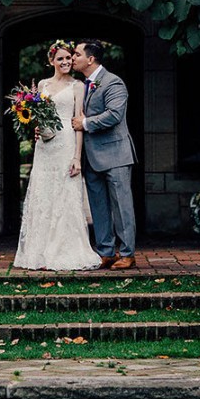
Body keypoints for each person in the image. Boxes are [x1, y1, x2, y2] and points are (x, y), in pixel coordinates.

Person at [14, 40, 101, 271]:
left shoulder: (77, 86)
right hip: (45, 146)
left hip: (66, 143)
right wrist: (36, 128)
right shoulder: (42, 84)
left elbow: (78, 122)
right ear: (51, 60)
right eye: (60, 58)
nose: (66, 62)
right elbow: (38, 115)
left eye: (68, 58)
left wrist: (76, 157)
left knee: (65, 195)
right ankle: (39, 252)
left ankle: (64, 249)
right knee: (44, 193)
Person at [71, 40, 137, 269]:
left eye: (77, 54)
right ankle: (106, 252)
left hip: (116, 155)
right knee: (98, 207)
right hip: (92, 157)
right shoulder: (83, 84)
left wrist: (85, 123)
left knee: (122, 206)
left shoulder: (113, 82)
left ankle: (127, 254)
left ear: (90, 59)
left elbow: (114, 115)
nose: (72, 58)